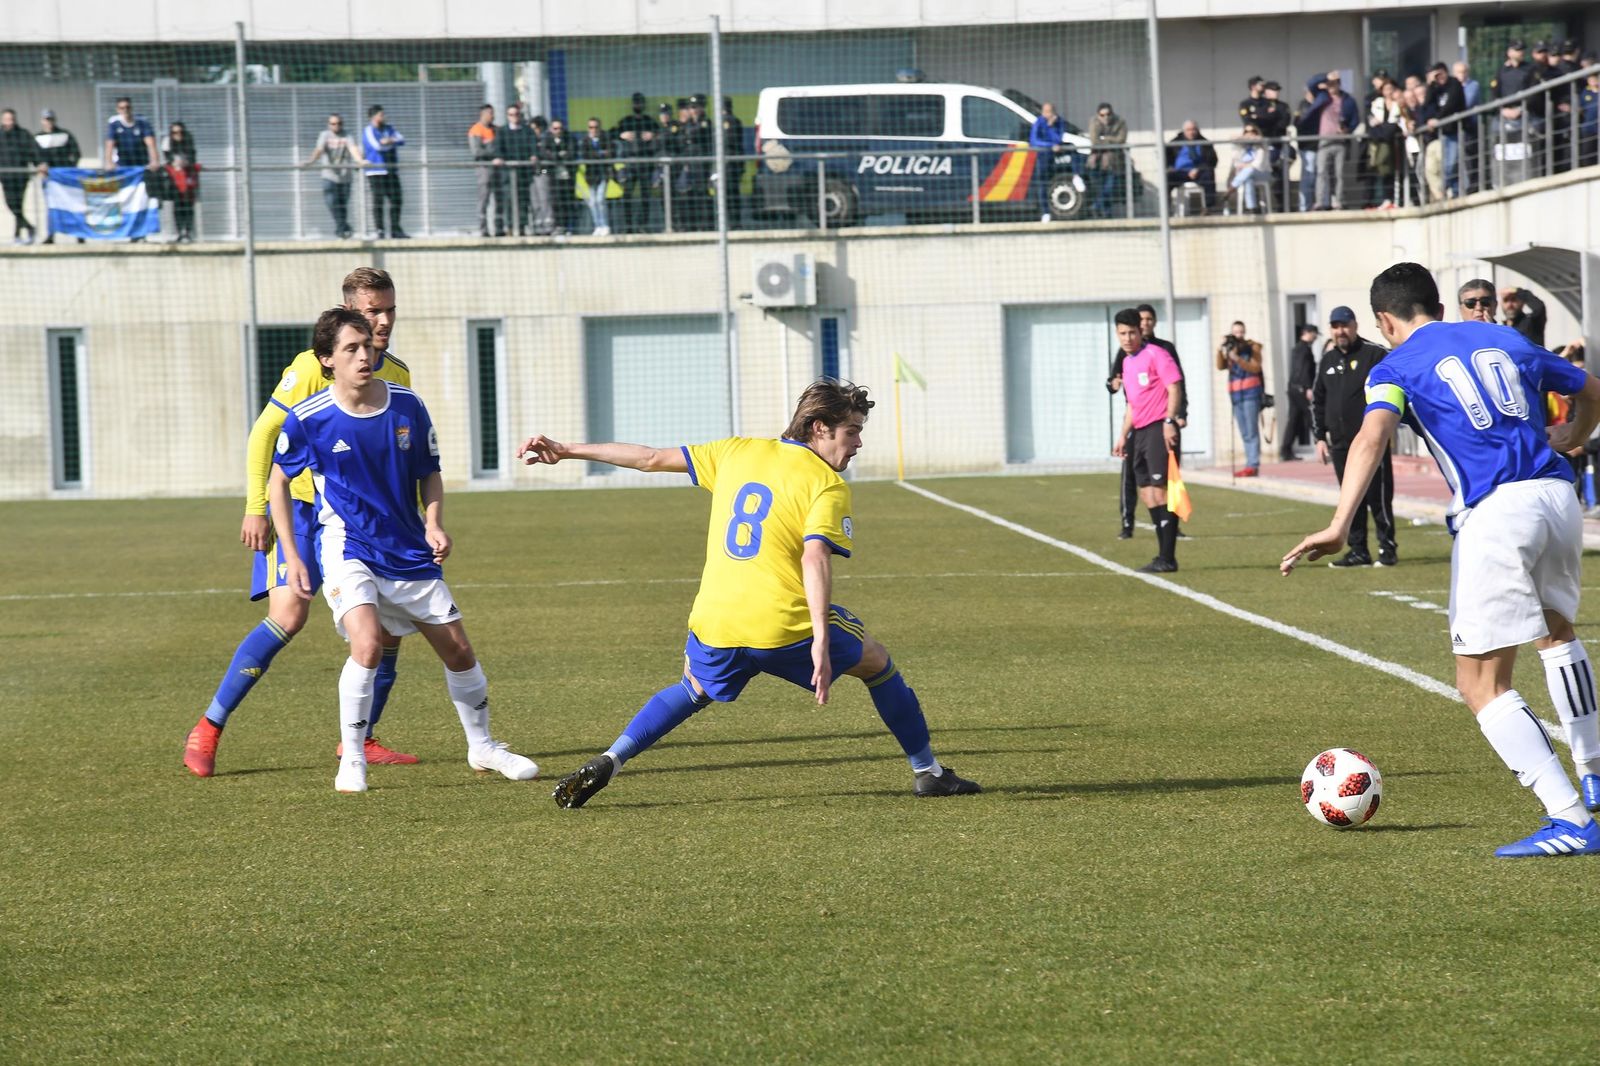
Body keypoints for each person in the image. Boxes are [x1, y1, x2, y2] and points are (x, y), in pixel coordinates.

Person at [517, 379, 982, 806]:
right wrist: (820, 638)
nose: (858, 443)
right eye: (852, 431)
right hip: (782, 626)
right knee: (876, 661)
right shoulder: (826, 483)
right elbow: (815, 557)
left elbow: (649, 458)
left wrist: (566, 449)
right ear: (819, 428)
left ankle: (612, 758)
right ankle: (928, 771)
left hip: (715, 621)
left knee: (694, 687)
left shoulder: (735, 451)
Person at [1283, 261, 1600, 859]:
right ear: (1437, 302)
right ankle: (1593, 768)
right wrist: (1574, 435)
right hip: (1559, 500)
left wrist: (1339, 522)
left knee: (1479, 680)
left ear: (1384, 319)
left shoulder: (1395, 364)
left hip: (1499, 510)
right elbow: (1590, 389)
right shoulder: (1506, 336)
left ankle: (1570, 818)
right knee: (1556, 635)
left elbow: (1372, 436)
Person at [270, 308, 538, 793]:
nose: (363, 355)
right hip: (348, 546)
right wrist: (291, 555)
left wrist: (434, 524)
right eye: (350, 348)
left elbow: (429, 471)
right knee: (368, 643)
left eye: (367, 345)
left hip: (408, 549)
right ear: (327, 360)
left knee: (458, 651)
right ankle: (352, 758)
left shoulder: (407, 405)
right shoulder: (310, 418)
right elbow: (277, 484)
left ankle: (483, 746)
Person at [183, 268, 417, 778]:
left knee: (391, 624)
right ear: (350, 311)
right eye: (372, 311)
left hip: (361, 520)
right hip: (301, 510)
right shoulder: (314, 367)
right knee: (290, 615)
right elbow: (264, 432)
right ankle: (209, 727)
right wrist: (256, 507)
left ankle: (361, 739)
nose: (383, 320)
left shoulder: (397, 375)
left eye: (389, 309)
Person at [1311, 306, 1396, 567]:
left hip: (1370, 441)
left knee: (1378, 497)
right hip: (1339, 443)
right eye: (1335, 327)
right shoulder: (1327, 361)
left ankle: (1387, 548)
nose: (1341, 331)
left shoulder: (1374, 354)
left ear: (1355, 325)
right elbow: (1319, 400)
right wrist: (1320, 437)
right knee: (1351, 496)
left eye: (1345, 325)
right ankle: (1358, 549)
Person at [1109, 308, 1183, 573]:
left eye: (1131, 332)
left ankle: (1168, 557)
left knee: (1161, 489)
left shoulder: (1157, 354)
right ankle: (1162, 555)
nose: (1127, 338)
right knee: (1146, 492)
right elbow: (1131, 404)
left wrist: (1169, 421)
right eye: (1122, 333)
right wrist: (1122, 435)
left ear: (1141, 331)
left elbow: (1174, 386)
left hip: (1157, 428)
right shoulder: (1127, 362)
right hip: (1138, 432)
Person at [303, 113, 364, 239]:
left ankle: (342, 230)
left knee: (342, 205)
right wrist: (311, 161)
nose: (336, 126)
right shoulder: (324, 135)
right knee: (332, 202)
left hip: (345, 176)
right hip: (329, 176)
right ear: (329, 124)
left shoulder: (347, 135)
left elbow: (353, 149)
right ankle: (343, 227)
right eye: (333, 124)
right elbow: (319, 150)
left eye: (339, 123)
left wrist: (360, 160)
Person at [1217, 320, 1265, 475]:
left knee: (1251, 431)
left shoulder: (1252, 347)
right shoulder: (1231, 348)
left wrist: (1237, 358)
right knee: (1244, 431)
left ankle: (1253, 465)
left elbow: (1255, 367)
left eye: (1241, 332)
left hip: (1251, 393)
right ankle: (1249, 463)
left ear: (1245, 332)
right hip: (1236, 395)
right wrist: (1220, 349)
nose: (1238, 335)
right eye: (1235, 332)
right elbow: (1220, 366)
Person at [1310, 72, 1359, 210]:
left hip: (1340, 141)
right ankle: (1320, 201)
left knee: (1339, 173)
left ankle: (1338, 200)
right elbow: (1311, 84)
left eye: (1335, 83)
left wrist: (1347, 130)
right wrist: (1325, 77)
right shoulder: (1321, 97)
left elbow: (1355, 119)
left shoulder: (1348, 100)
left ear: (1339, 84)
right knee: (1321, 172)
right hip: (1323, 141)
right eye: (1329, 84)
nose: (1332, 86)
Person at [612, 93, 657, 234]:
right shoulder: (626, 121)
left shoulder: (649, 121)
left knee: (645, 196)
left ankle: (642, 225)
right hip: (630, 163)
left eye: (640, 103)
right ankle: (629, 225)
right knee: (627, 195)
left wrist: (653, 135)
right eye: (636, 103)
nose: (638, 105)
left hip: (645, 163)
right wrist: (621, 135)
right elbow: (611, 133)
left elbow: (661, 132)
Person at [34, 109, 81, 244]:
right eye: (46, 119)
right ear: (42, 121)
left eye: (51, 119)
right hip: (49, 179)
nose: (49, 122)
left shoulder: (65, 135)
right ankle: (51, 235)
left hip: (65, 180)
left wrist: (69, 169)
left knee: (72, 206)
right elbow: (34, 156)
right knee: (51, 207)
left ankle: (79, 234)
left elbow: (76, 153)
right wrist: (40, 166)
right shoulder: (37, 137)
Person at [361, 105, 408, 239]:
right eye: (381, 115)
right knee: (378, 201)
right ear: (373, 117)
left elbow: (401, 139)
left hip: (391, 170)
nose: (384, 117)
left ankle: (395, 229)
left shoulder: (389, 129)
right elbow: (377, 146)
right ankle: (379, 230)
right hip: (376, 171)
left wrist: (390, 141)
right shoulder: (369, 130)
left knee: (396, 199)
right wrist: (390, 143)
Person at [0, 109, 39, 244]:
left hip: (21, 177)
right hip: (5, 177)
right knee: (11, 205)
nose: (9, 122)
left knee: (18, 206)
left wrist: (38, 164)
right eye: (6, 119)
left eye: (11, 119)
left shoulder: (23, 134)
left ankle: (17, 236)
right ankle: (29, 227)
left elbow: (34, 151)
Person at [468, 103, 506, 238]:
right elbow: (476, 151)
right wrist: (493, 156)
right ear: (483, 115)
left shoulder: (496, 130)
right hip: (484, 169)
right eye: (490, 113)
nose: (493, 116)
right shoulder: (476, 130)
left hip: (498, 169)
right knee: (484, 198)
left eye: (493, 113)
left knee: (500, 198)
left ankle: (499, 227)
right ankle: (483, 229)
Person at [1282, 322, 1319, 459]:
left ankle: (1285, 451)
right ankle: (1322, 445)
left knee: (1294, 420)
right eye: (1314, 334)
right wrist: (1307, 387)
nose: (1315, 338)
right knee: (1311, 417)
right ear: (1308, 333)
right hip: (1300, 389)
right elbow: (1303, 370)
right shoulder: (1303, 350)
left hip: (1294, 388)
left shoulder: (1298, 349)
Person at [1086, 102, 1127, 219]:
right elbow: (1094, 140)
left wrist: (1105, 138)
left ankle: (1096, 206)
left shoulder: (1120, 122)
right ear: (1098, 115)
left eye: (1108, 114)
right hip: (1096, 161)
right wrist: (1110, 141)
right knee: (1099, 189)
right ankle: (1106, 214)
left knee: (1109, 188)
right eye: (1102, 115)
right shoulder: (1094, 122)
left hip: (1113, 162)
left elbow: (1121, 139)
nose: (1106, 118)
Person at [160, 121, 200, 243]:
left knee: (188, 204)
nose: (178, 135)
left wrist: (186, 163)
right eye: (175, 133)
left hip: (187, 176)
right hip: (175, 178)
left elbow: (192, 157)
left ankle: (188, 231)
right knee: (177, 205)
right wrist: (174, 163)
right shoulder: (168, 142)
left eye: (180, 132)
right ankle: (179, 232)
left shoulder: (188, 141)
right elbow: (168, 158)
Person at [1028, 102, 1069, 222]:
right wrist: (1050, 146)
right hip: (1043, 156)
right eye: (1046, 112)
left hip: (1057, 155)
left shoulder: (1059, 122)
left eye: (1050, 112)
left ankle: (1077, 177)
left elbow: (1059, 139)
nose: (1048, 115)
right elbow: (1034, 141)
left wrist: (1051, 127)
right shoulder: (1039, 122)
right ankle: (1045, 212)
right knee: (1042, 184)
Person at [1164, 120, 1216, 210]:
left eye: (1193, 130)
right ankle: (1166, 208)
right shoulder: (1174, 143)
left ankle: (1208, 207)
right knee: (1167, 178)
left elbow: (1212, 160)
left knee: (1209, 175)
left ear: (1197, 130)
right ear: (1184, 131)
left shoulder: (1205, 143)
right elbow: (1167, 159)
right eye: (1188, 130)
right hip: (1180, 172)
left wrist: (1198, 168)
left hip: (1198, 172)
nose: (1191, 132)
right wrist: (1171, 168)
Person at [539, 117, 578, 235]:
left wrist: (555, 155)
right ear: (551, 129)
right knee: (555, 201)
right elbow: (544, 154)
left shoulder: (569, 138)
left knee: (568, 200)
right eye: (555, 128)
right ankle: (557, 225)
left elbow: (571, 153)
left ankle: (568, 226)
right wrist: (559, 155)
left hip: (568, 174)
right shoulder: (547, 139)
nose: (558, 131)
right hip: (550, 173)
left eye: (560, 128)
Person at [1226, 124, 1273, 213]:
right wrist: (1245, 138)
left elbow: (1257, 164)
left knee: (1250, 170)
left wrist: (1245, 166)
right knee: (1248, 180)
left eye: (1252, 131)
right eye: (1247, 132)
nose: (1249, 134)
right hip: (1246, 175)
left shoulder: (1262, 145)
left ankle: (1232, 187)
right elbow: (1231, 138)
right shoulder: (1242, 147)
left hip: (1262, 173)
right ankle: (1252, 208)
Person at [578, 116, 612, 235]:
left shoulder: (605, 138)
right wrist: (600, 154)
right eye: (591, 127)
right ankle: (597, 225)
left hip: (603, 173)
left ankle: (604, 224)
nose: (593, 130)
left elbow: (610, 153)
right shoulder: (585, 141)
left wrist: (597, 154)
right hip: (591, 175)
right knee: (592, 201)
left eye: (596, 127)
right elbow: (584, 154)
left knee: (600, 199)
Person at [720, 95, 746, 230]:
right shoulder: (736, 121)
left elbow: (728, 143)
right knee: (732, 194)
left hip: (728, 164)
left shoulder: (727, 122)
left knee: (729, 194)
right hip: (734, 163)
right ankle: (734, 222)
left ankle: (732, 222)